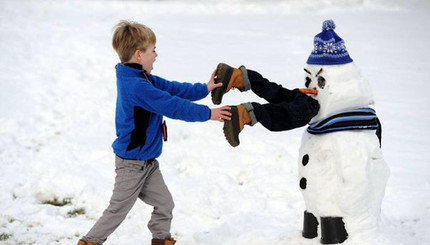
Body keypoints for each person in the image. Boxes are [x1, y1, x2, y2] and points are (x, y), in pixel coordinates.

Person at [78, 20, 231, 245]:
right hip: (131, 164)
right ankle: (89, 242)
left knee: (165, 203)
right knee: (117, 211)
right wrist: (209, 114)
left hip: (147, 163)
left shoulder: (139, 77)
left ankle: (161, 240)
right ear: (139, 54)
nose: (156, 55)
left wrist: (204, 88)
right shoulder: (138, 86)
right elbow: (172, 105)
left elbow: (172, 88)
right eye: (153, 50)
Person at [211, 63, 320, 147]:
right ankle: (246, 113)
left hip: (325, 66)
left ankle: (238, 77)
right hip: (331, 86)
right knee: (306, 110)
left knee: (288, 98)